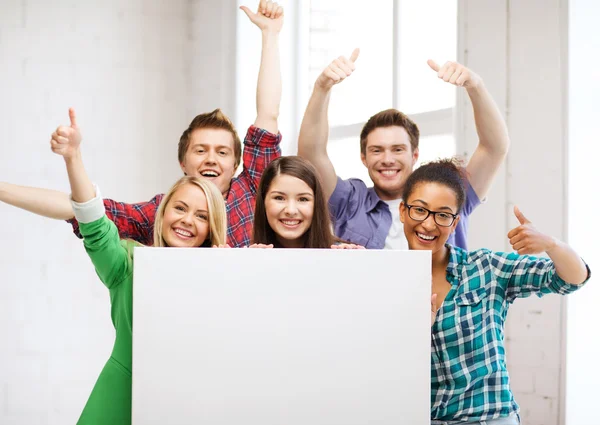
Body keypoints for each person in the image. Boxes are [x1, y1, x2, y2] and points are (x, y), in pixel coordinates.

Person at [0, 0, 284, 248]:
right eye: (200, 150)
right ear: (183, 163)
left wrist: (270, 35)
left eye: (222, 152)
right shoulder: (162, 211)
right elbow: (82, 209)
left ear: (236, 165)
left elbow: (268, 115)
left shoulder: (251, 191)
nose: (211, 159)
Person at [49, 107, 228, 424]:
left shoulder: (224, 277)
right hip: (120, 396)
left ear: (212, 227)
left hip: (189, 402)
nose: (187, 220)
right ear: (163, 212)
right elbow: (94, 223)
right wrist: (73, 157)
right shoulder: (130, 262)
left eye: (201, 216)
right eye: (180, 208)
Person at [399, 158, 590, 424]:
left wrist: (550, 244)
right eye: (419, 210)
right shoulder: (388, 281)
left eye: (443, 215)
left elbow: (573, 278)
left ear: (454, 223)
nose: (429, 225)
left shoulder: (487, 268)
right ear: (402, 211)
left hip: (489, 419)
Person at [298, 52, 510, 250]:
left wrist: (475, 86)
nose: (387, 159)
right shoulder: (350, 201)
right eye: (377, 150)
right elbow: (311, 154)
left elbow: (494, 147)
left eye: (397, 149)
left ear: (414, 155)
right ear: (363, 157)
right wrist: (322, 87)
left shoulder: (450, 194)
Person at [251, 156, 363, 249]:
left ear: (316, 205)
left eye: (303, 199)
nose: (291, 210)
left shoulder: (342, 254)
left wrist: (354, 265)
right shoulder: (247, 257)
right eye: (279, 198)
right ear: (263, 201)